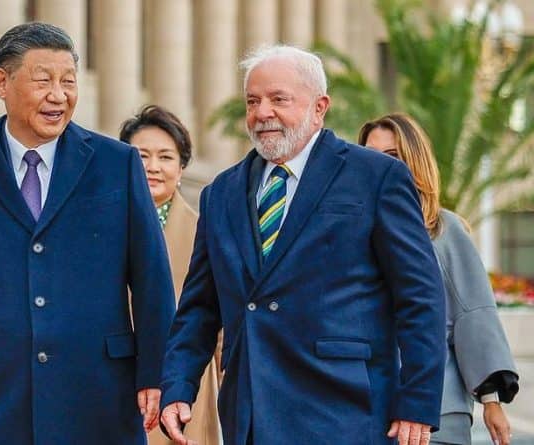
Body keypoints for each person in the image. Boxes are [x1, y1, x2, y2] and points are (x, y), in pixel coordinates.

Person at [159, 44, 446, 445]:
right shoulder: (220, 193)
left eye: (279, 99)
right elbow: (200, 308)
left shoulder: (376, 177)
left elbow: (420, 296)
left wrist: (417, 401)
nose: (262, 112)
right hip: (251, 414)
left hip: (345, 412)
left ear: (319, 107)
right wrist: (178, 386)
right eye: (253, 101)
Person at [0, 22, 175, 445]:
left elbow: (152, 279)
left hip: (100, 395)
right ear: (2, 82)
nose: (58, 95)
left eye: (68, 82)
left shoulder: (117, 164)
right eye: (43, 81)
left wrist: (157, 373)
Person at [359, 113, 519, 445]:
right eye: (371, 156)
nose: (381, 166)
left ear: (414, 162)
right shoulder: (354, 233)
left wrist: (491, 402)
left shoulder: (444, 229)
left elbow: (473, 314)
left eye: (393, 156)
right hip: (368, 408)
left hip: (437, 411)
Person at [120, 105, 221, 445]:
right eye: (141, 156)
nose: (153, 167)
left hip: (184, 389)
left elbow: (220, 322)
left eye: (165, 157)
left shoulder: (205, 231)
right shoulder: (98, 230)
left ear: (181, 168)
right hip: (119, 382)